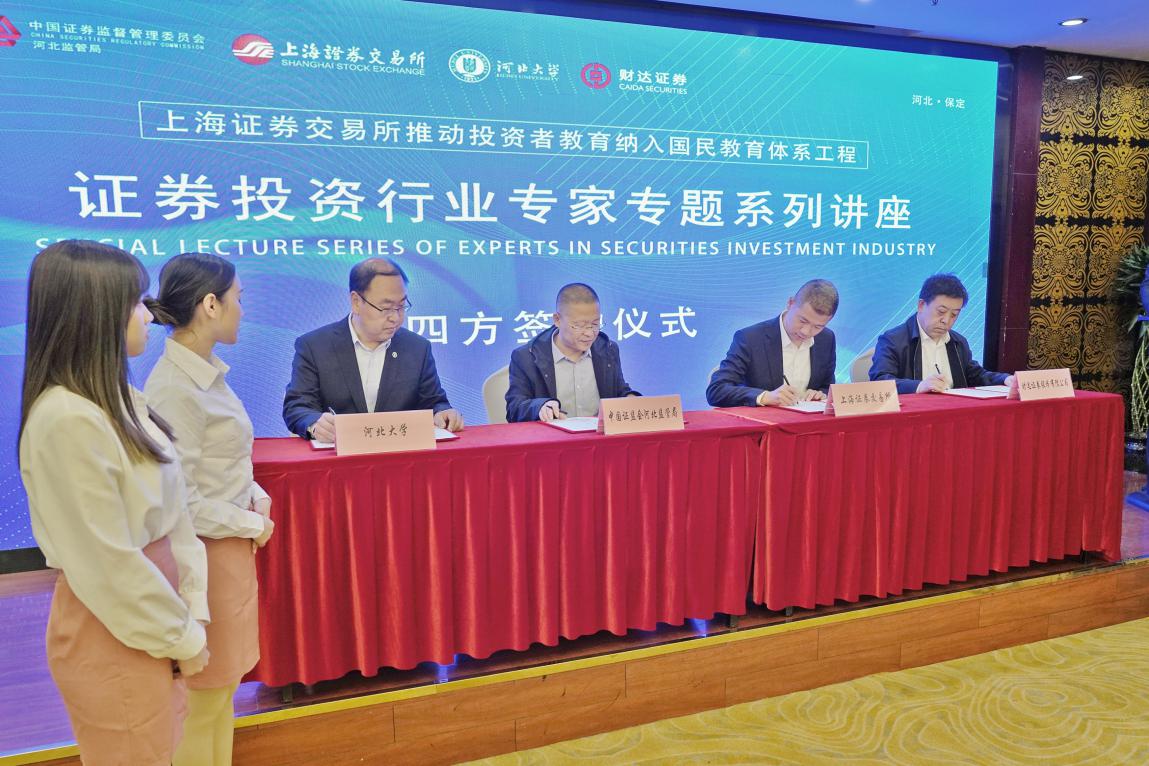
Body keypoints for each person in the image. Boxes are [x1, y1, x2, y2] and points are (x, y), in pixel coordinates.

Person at [19, 240, 209, 765]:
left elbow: (171, 514)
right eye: (136, 302)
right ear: (96, 314)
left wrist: (187, 615)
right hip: (117, 623)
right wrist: (183, 637)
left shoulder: (116, 399)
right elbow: (107, 564)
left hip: (146, 614)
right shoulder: (67, 419)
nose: (148, 315)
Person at [144, 253, 273, 766]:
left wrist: (253, 495)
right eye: (239, 298)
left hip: (227, 550)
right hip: (205, 555)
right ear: (211, 304)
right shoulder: (174, 388)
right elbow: (182, 503)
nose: (243, 309)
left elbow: (222, 463)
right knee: (204, 702)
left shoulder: (206, 373)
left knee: (220, 696)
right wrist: (252, 521)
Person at [283, 258, 463, 441]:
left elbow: (434, 403)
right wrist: (315, 424)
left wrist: (443, 413)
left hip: (399, 454)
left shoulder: (417, 348)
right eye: (385, 308)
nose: (395, 317)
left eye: (401, 306)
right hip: (336, 454)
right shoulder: (314, 346)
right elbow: (297, 407)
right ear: (356, 302)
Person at [506, 283, 639, 422]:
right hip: (552, 435)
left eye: (595, 324)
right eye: (579, 325)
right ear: (557, 320)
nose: (589, 333)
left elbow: (619, 392)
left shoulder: (607, 350)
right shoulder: (526, 357)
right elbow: (514, 409)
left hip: (598, 434)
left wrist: (630, 399)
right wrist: (539, 407)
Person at [869, 273, 1014, 394]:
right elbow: (879, 381)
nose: (946, 320)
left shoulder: (958, 342)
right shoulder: (893, 340)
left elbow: (976, 375)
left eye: (954, 315)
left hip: (955, 413)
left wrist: (1005, 379)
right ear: (921, 305)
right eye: (941, 312)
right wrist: (919, 386)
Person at [706, 279, 839, 408]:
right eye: (802, 321)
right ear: (790, 303)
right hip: (762, 422)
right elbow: (717, 390)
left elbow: (827, 387)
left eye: (818, 327)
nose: (806, 332)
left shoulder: (826, 339)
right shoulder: (750, 338)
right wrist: (765, 397)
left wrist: (821, 395)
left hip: (810, 422)